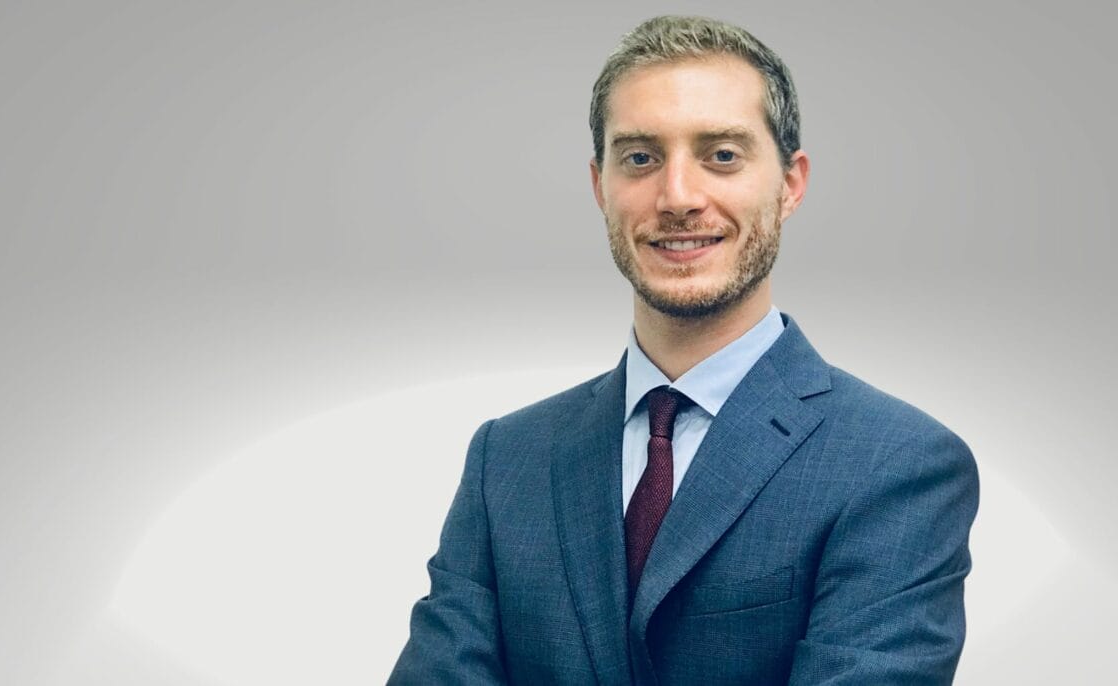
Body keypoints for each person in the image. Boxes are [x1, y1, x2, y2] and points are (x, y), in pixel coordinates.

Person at [390, 15, 978, 686]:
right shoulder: (506, 460)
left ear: (790, 185)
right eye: (641, 158)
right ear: (600, 186)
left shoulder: (899, 464)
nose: (677, 198)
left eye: (721, 155)